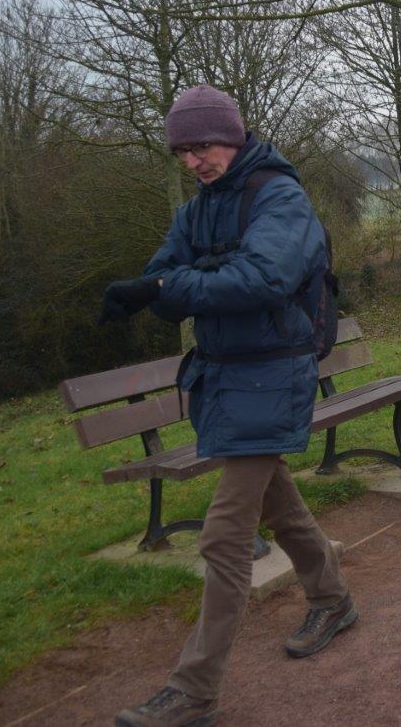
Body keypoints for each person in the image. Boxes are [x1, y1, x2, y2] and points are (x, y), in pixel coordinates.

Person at [100, 86, 354, 727]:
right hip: (221, 380)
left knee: (222, 536)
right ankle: (333, 598)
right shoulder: (196, 211)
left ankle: (194, 690)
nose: (193, 162)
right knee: (280, 506)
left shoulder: (280, 197)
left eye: (202, 147)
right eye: (182, 152)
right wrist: (158, 288)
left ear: (233, 137)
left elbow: (263, 279)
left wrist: (171, 284)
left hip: (273, 378)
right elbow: (165, 284)